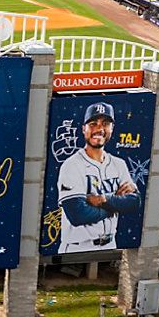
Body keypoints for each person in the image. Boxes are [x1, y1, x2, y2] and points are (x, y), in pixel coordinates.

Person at [56, 102, 140, 253]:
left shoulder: (118, 164)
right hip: (77, 248)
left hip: (111, 245)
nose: (99, 129)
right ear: (84, 129)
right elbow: (78, 214)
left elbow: (134, 202)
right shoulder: (72, 166)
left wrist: (103, 200)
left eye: (105, 124)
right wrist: (116, 205)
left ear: (112, 129)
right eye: (93, 123)